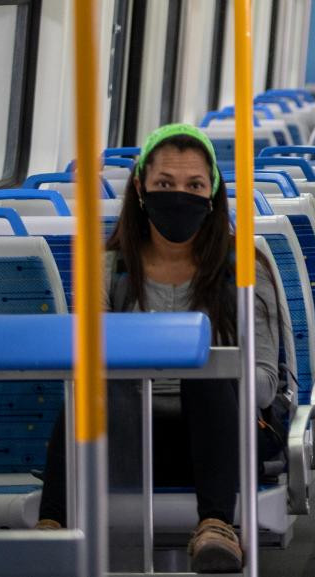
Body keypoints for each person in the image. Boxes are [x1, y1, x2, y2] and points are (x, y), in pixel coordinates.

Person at [36, 124, 282, 575]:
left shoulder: (243, 270)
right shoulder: (107, 269)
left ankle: (216, 525)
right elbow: (87, 365)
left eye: (194, 186)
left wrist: (203, 365)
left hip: (222, 439)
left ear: (212, 195)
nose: (179, 197)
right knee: (88, 389)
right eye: (164, 185)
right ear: (140, 188)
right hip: (127, 437)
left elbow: (265, 383)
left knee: (207, 376)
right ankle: (53, 528)